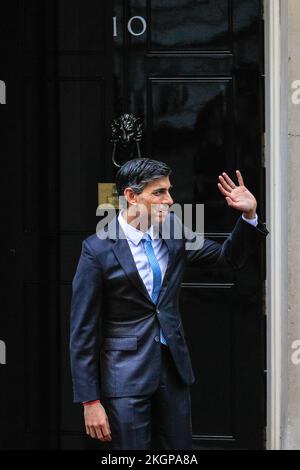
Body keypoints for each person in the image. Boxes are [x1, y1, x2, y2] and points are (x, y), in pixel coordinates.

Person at [69, 158, 269, 450]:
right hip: (125, 375)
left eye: (168, 191)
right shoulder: (97, 249)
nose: (169, 200)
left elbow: (227, 258)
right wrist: (90, 400)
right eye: (159, 192)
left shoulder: (172, 230)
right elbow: (82, 331)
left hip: (173, 370)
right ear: (131, 196)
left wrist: (249, 215)